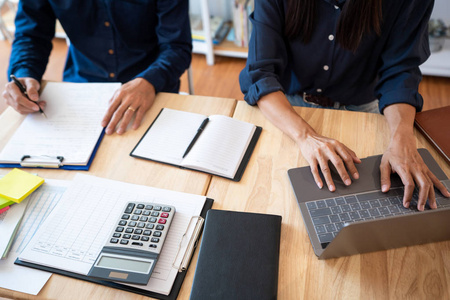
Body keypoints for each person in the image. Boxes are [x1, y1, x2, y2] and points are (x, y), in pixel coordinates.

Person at [240, 0, 450, 211]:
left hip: (364, 109)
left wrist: (402, 138)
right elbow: (260, 74)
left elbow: (400, 71)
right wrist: (306, 136)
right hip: (288, 109)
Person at [3, 0, 192, 135]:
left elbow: (176, 46)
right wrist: (24, 73)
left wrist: (150, 81)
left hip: (153, 87)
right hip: (81, 89)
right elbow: (30, 36)